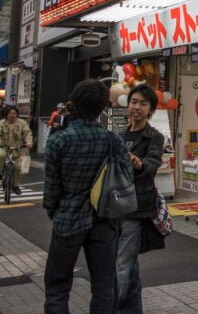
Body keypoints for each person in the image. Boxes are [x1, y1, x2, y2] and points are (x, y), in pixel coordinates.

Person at [43, 80, 132, 314]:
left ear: (74, 104)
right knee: (104, 285)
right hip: (103, 218)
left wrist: (55, 210)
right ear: (102, 107)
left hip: (67, 218)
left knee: (57, 286)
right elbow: (126, 177)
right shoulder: (112, 140)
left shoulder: (58, 141)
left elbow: (51, 188)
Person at [116, 84, 164, 314]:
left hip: (135, 209)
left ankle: (115, 308)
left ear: (150, 110)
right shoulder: (119, 134)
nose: (136, 107)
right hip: (113, 207)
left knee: (122, 265)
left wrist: (139, 163)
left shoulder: (154, 137)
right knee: (128, 265)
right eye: (134, 102)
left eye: (143, 104)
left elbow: (153, 164)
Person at [0, 105, 34, 194]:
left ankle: (15, 186)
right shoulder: (2, 123)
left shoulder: (22, 123)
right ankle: (0, 173)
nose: (13, 115)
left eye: (14, 113)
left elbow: (27, 133)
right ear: (6, 114)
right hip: (4, 147)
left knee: (18, 166)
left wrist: (29, 142)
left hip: (17, 149)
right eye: (10, 113)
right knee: (1, 155)